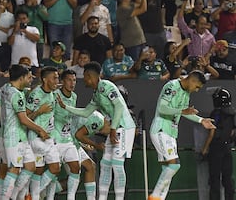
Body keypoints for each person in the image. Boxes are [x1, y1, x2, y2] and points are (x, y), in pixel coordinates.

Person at [57, 61, 136, 200]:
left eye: (84, 77)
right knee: (105, 163)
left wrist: (112, 129)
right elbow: (86, 112)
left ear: (89, 76)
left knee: (117, 163)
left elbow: (118, 107)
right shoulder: (97, 93)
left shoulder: (107, 86)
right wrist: (65, 107)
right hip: (115, 128)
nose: (83, 81)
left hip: (124, 127)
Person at [148, 70, 216, 200]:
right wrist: (182, 110)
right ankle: (154, 196)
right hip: (161, 129)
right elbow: (162, 108)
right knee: (175, 165)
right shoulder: (171, 86)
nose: (196, 90)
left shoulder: (186, 93)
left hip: (171, 133)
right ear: (192, 80)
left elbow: (185, 112)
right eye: (197, 87)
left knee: (167, 170)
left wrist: (202, 120)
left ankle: (160, 198)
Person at [0, 65, 49, 200]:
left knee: (30, 167)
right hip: (14, 137)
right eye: (28, 77)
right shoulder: (17, 96)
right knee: (14, 169)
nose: (31, 79)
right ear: (21, 78)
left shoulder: (4, 89)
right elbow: (23, 119)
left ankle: (13, 196)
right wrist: (40, 129)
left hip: (18, 136)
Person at [26, 66, 60, 199]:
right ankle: (31, 195)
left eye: (57, 77)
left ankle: (32, 196)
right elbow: (26, 117)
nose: (57, 80)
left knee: (39, 172)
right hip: (37, 138)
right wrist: (39, 111)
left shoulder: (52, 94)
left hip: (47, 137)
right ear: (45, 79)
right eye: (54, 78)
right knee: (55, 168)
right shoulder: (36, 94)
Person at [201, 87, 235, 200]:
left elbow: (212, 133)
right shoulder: (232, 113)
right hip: (227, 148)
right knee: (227, 178)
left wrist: (204, 149)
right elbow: (232, 132)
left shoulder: (216, 113)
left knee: (214, 178)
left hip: (216, 149)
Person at [51, 69, 80, 200]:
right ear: (62, 81)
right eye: (69, 80)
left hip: (67, 138)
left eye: (74, 80)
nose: (72, 83)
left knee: (75, 168)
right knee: (54, 171)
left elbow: (72, 118)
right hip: (54, 138)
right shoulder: (55, 95)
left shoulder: (74, 96)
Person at [71, 111, 111, 200]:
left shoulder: (99, 119)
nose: (107, 134)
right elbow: (78, 135)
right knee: (73, 175)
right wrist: (96, 145)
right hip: (67, 142)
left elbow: (77, 130)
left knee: (90, 166)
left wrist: (84, 144)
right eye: (110, 131)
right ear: (108, 123)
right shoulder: (99, 121)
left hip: (73, 142)